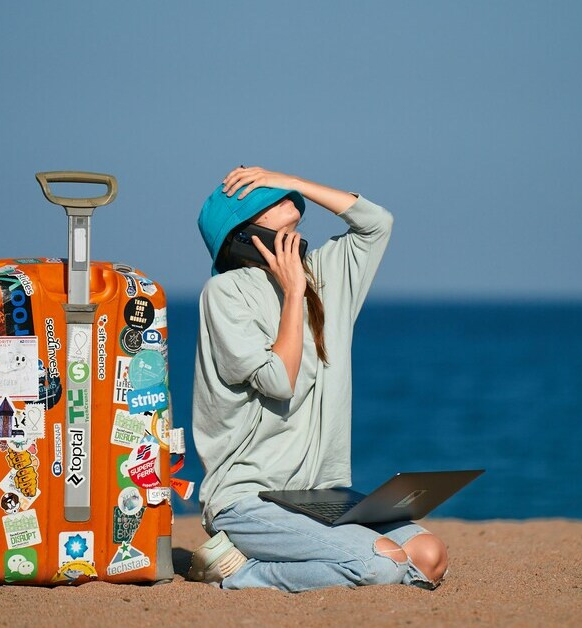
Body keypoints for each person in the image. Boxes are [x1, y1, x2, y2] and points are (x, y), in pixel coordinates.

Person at [187, 166, 449, 592]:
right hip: (246, 500)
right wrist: (293, 293)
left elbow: (376, 223)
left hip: (317, 496)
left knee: (429, 557)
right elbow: (278, 381)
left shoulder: (326, 272)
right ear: (243, 235)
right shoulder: (225, 294)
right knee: (382, 564)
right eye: (266, 198)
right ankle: (240, 574)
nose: (282, 195)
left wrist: (289, 179)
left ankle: (323, 557)